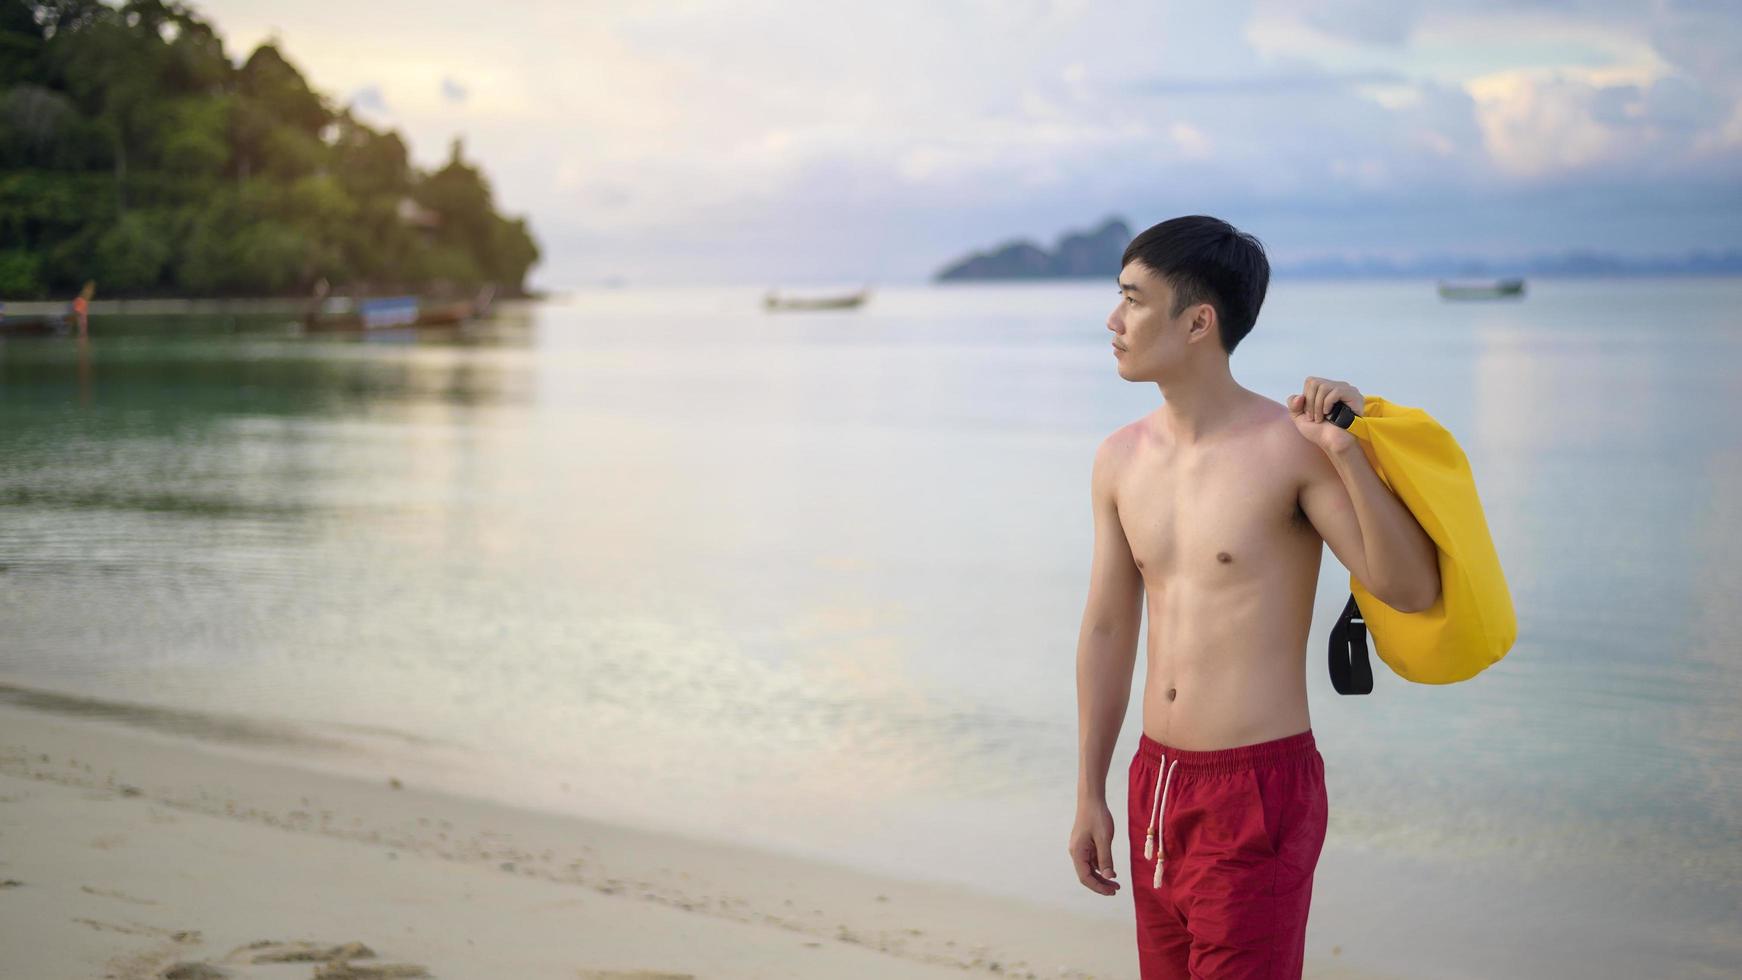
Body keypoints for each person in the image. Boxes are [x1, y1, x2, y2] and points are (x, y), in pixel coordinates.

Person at [1067, 216, 1440, 978]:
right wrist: (1089, 789)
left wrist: (1348, 451)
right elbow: (1109, 629)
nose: (1113, 320)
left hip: (1258, 793)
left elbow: (1409, 587)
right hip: (1155, 784)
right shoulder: (1118, 460)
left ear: (1198, 321)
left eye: (1134, 300)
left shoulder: (1290, 450)